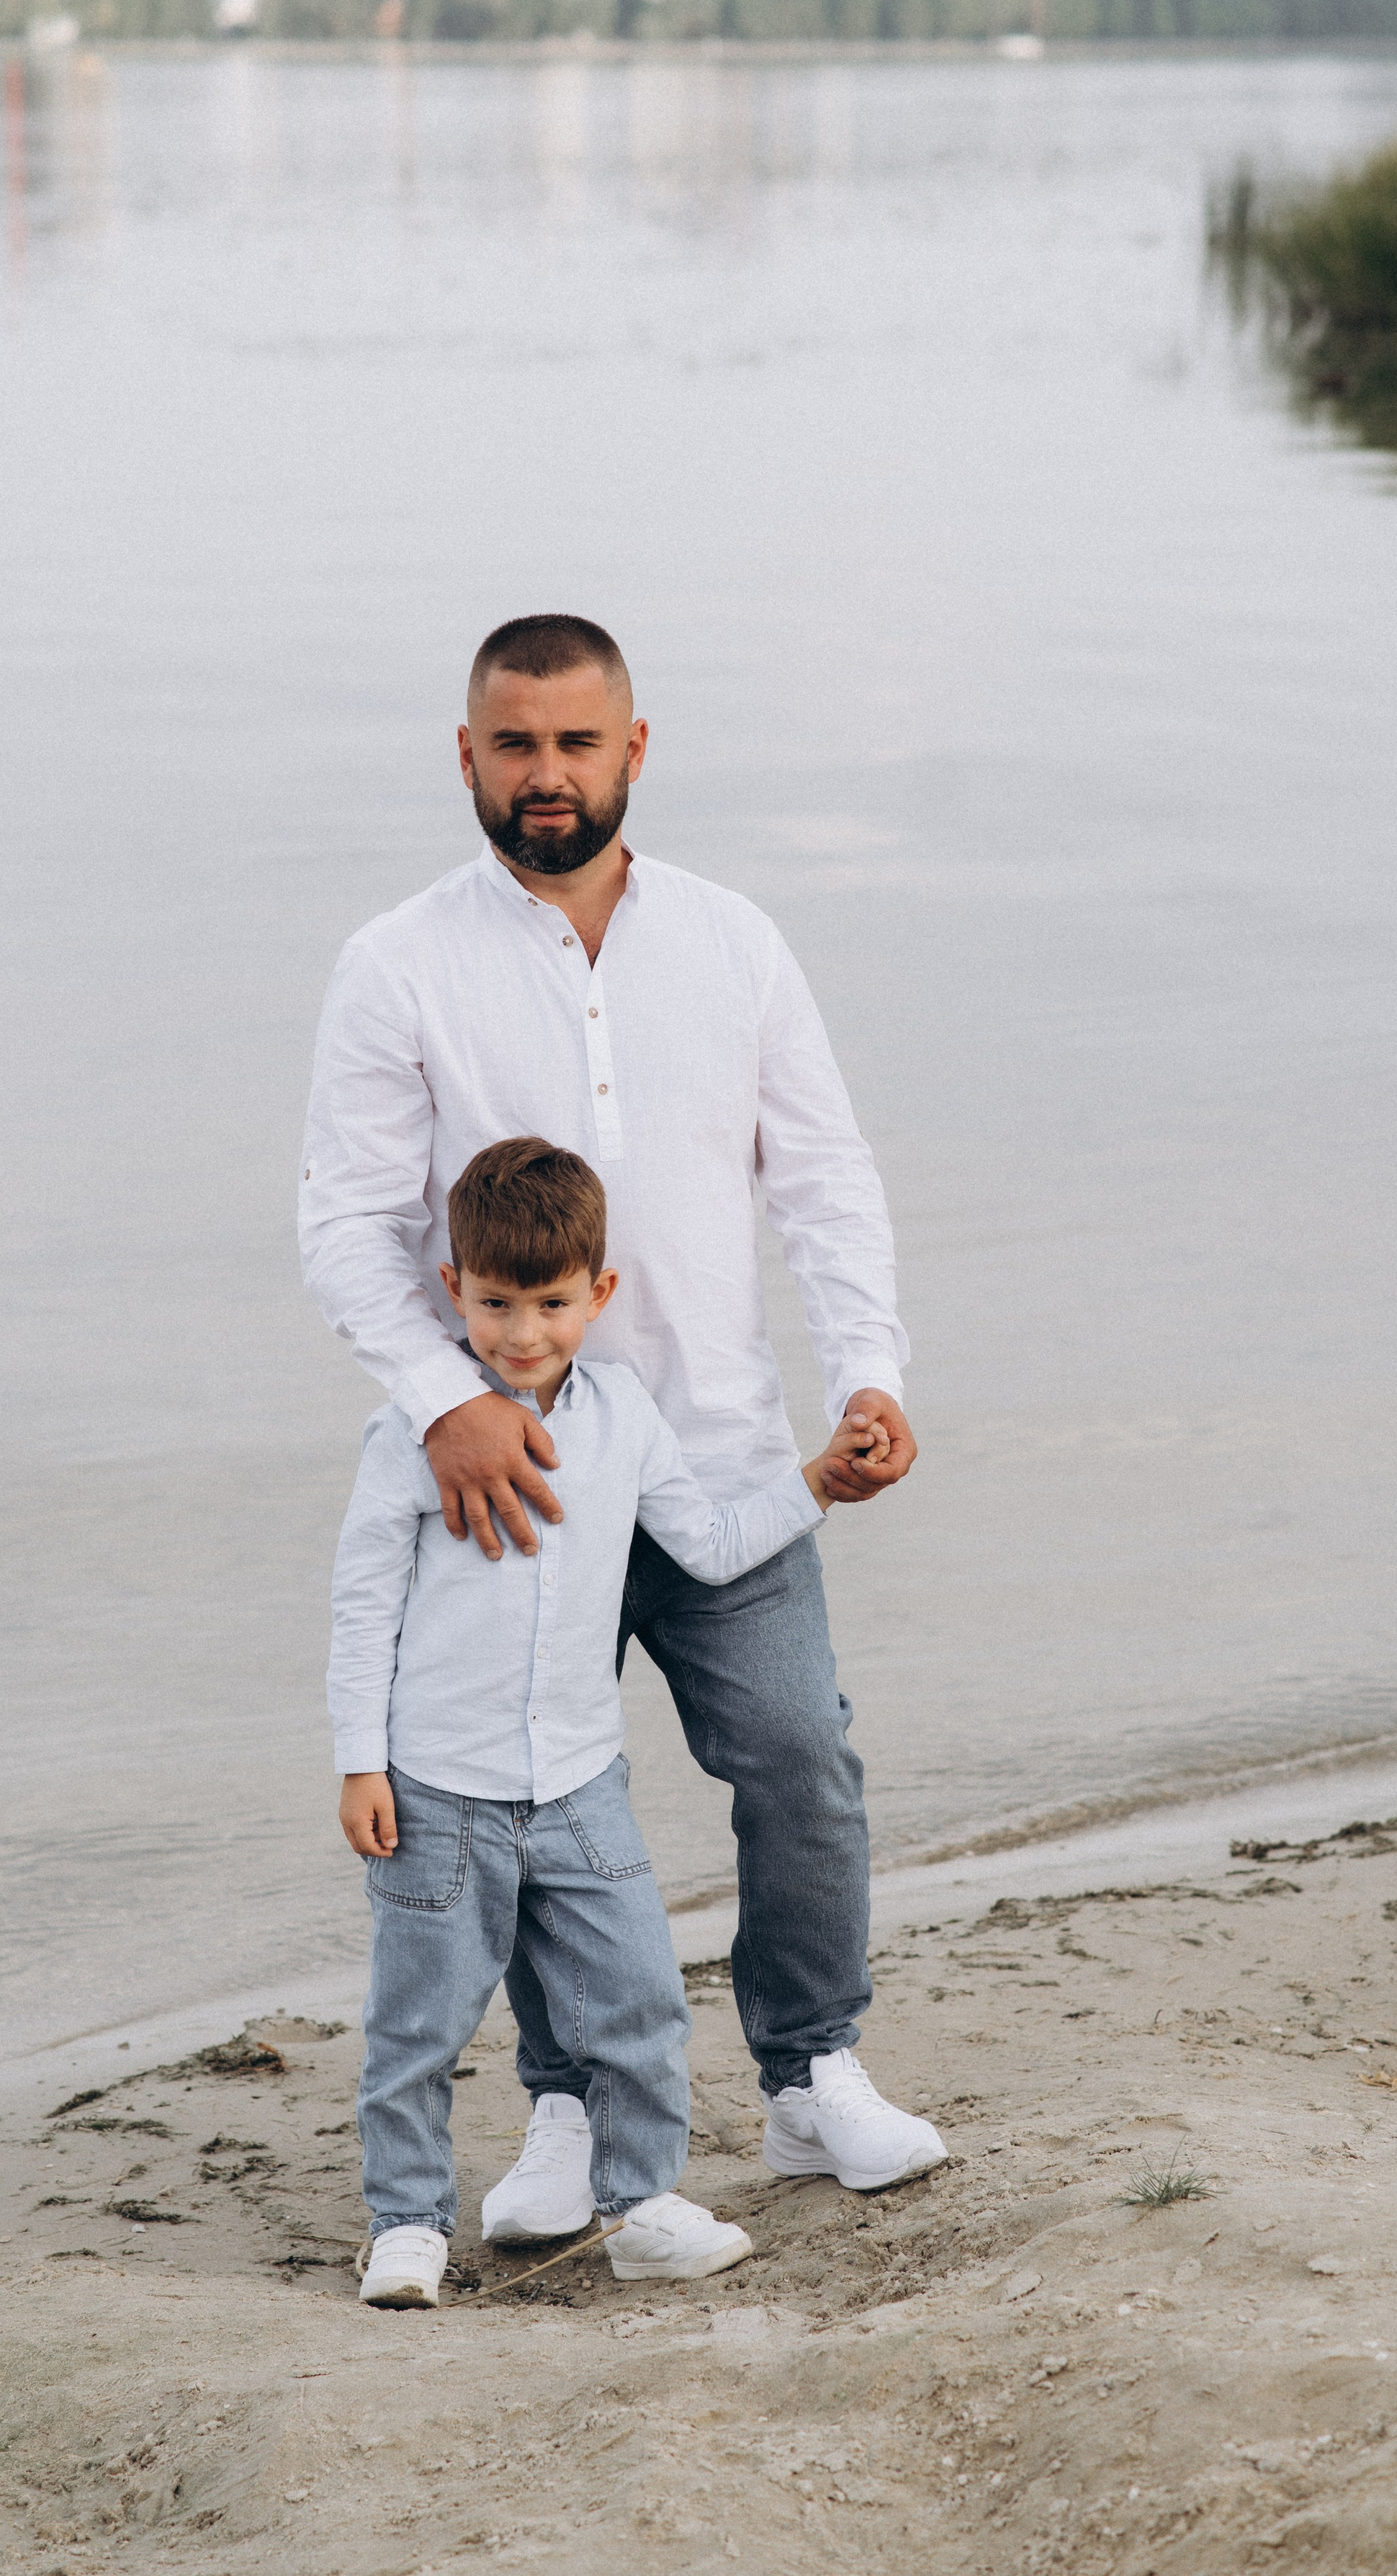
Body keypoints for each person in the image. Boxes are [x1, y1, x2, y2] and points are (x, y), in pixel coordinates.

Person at [300, 611, 947, 2247]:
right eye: (512, 743)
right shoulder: (398, 964)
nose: (544, 774)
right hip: (511, 1480)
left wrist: (866, 1372)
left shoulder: (732, 941)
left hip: (720, 1449)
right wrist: (449, 1403)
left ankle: (808, 2076)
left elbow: (819, 1175)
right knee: (516, 1806)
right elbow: (347, 1228)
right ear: (466, 754)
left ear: (632, 751)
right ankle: (572, 2111)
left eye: (575, 743)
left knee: (800, 1756)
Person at [333, 1137, 891, 2308]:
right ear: (455, 1293)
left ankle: (641, 2205)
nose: (522, 1332)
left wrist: (814, 1484)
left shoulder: (626, 1415)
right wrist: (360, 1765)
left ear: (601, 1295)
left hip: (581, 1786)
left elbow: (706, 1545)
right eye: (494, 1303)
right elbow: (363, 1608)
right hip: (440, 1788)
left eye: (550, 1303)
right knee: (419, 2025)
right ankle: (407, 2226)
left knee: (639, 2003)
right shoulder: (414, 1435)